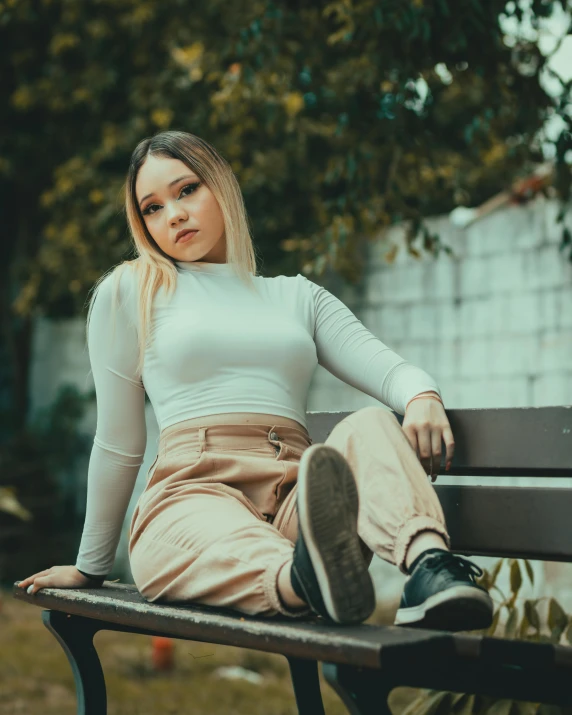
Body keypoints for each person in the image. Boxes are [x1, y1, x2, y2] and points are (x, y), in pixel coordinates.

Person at [17, 130, 493, 630]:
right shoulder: (131, 290)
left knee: (372, 422)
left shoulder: (296, 297)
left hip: (300, 498)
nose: (173, 214)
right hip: (193, 493)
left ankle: (430, 569)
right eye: (151, 208)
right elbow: (118, 442)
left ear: (221, 186)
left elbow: (393, 371)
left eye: (186, 190)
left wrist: (422, 396)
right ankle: (305, 581)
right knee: (196, 540)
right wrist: (90, 566)